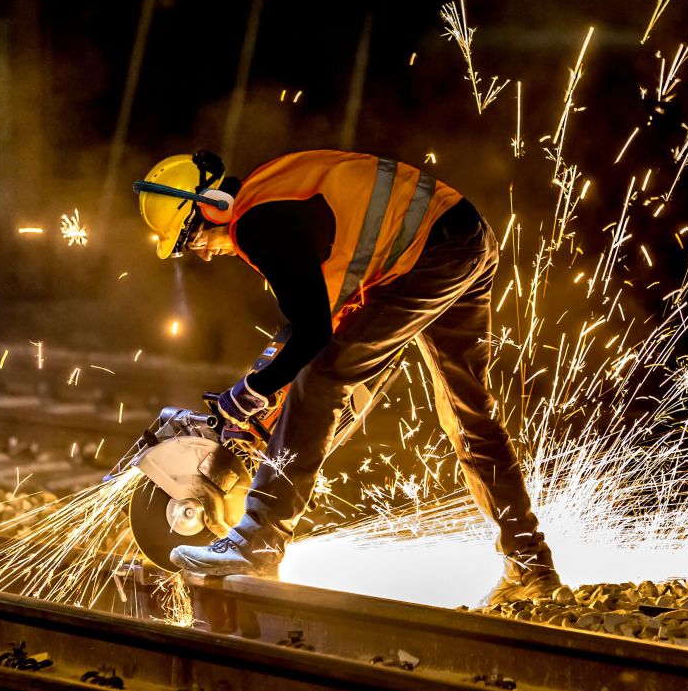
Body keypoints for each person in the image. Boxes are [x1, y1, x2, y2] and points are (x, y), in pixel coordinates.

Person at [134, 149, 560, 604]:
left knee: (321, 380)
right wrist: (263, 390)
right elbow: (316, 318)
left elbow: (313, 335)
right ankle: (531, 564)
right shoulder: (274, 194)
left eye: (190, 239)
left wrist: (254, 390)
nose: (200, 253)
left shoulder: (258, 225)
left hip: (430, 255)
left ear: (211, 205)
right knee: (467, 413)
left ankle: (257, 541)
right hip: (462, 238)